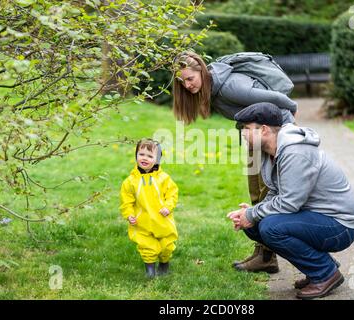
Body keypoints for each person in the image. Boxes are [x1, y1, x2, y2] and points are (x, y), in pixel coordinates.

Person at [172, 51, 297, 273]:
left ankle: (269, 254)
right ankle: (264, 254)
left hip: (270, 140)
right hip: (253, 140)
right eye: (182, 82)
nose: (187, 85)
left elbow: (277, 100)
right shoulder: (212, 90)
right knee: (256, 194)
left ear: (201, 70)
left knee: (268, 192)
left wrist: (286, 132)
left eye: (190, 78)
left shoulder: (230, 86)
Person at [227, 102, 354, 299]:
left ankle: (325, 273)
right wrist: (253, 213)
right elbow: (275, 192)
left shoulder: (295, 152)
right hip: (316, 217)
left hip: (340, 226)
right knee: (255, 225)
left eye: (246, 129)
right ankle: (319, 268)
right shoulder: (269, 152)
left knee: (270, 228)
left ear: (263, 130)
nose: (243, 134)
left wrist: (254, 213)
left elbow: (289, 203)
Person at [119, 138, 179, 278]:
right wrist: (129, 214)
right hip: (142, 222)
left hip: (162, 220)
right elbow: (126, 201)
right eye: (141, 154)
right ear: (136, 155)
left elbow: (172, 194)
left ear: (157, 159)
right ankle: (150, 270)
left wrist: (168, 207)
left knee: (166, 246)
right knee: (147, 246)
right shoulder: (130, 181)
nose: (144, 158)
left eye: (150, 156)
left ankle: (164, 264)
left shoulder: (164, 178)